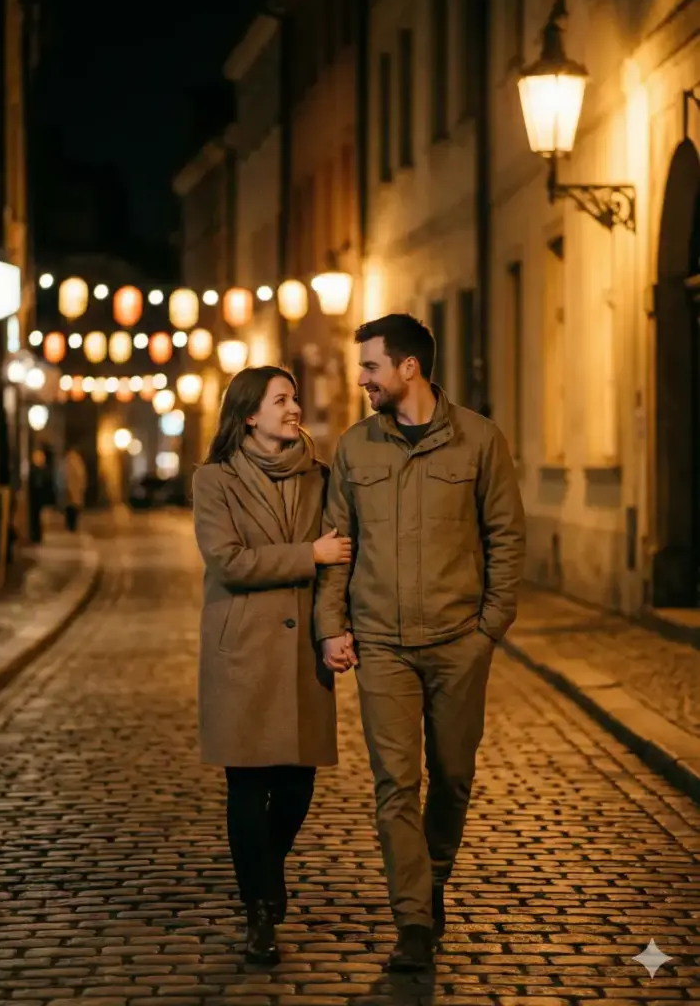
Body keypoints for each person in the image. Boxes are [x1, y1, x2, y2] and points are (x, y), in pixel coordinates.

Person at [314, 314, 525, 973]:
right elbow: (337, 548)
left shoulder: (480, 442)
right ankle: (412, 920)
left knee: (453, 778)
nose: (361, 379)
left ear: (409, 368)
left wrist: (488, 628)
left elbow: (506, 539)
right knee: (394, 784)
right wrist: (332, 626)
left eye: (371, 366)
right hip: (382, 646)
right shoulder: (354, 449)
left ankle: (431, 877)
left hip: (458, 642)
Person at [191, 366, 352, 966]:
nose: (294, 407)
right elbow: (229, 562)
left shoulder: (321, 476)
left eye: (293, 398)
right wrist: (308, 554)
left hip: (304, 649)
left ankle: (267, 866)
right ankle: (258, 909)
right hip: (243, 651)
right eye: (281, 400)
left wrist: (338, 627)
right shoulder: (214, 481)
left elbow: (343, 560)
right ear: (249, 415)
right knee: (247, 782)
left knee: (298, 784)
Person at [61, 446, 87, 532]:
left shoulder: (69, 462)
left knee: (71, 509)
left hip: (71, 490)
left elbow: (64, 476)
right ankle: (72, 526)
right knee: (73, 508)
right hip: (74, 490)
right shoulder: (77, 462)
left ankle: (71, 526)